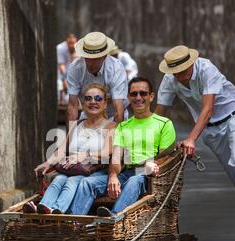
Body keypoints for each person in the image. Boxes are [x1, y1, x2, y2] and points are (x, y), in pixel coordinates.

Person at [155, 45, 235, 241]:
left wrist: (190, 139)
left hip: (233, 118)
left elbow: (207, 109)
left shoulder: (206, 69)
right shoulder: (170, 79)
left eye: (183, 71)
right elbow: (161, 112)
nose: (180, 76)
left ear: (191, 64)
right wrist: (152, 141)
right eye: (175, 73)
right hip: (212, 132)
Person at [69, 77, 176, 217]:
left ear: (151, 96)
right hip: (126, 172)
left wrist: (152, 163)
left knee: (135, 180)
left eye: (143, 93)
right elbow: (116, 157)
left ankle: (112, 219)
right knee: (86, 183)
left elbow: (167, 155)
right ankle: (75, 222)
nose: (138, 97)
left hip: (147, 175)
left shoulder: (164, 124)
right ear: (128, 97)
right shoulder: (123, 127)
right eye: (134, 94)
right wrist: (113, 175)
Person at [30, 83, 116, 215]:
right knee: (58, 179)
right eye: (88, 98)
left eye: (98, 98)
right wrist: (48, 162)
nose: (93, 102)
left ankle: (57, 210)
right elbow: (62, 149)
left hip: (93, 171)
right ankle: (43, 207)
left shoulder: (111, 126)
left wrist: (85, 155)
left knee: (71, 181)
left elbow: (107, 152)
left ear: (105, 104)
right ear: (83, 103)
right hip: (71, 169)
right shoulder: (77, 125)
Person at [67, 32, 128, 124]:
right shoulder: (75, 68)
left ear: (104, 56)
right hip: (88, 115)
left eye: (95, 58)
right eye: (87, 58)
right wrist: (70, 137)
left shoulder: (116, 68)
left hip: (112, 116)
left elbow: (118, 110)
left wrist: (115, 136)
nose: (91, 63)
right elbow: (72, 106)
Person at [57, 34, 78, 105]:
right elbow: (61, 66)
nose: (72, 45)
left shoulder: (79, 48)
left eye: (73, 43)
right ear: (66, 42)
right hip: (61, 74)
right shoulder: (60, 48)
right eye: (70, 43)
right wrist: (65, 79)